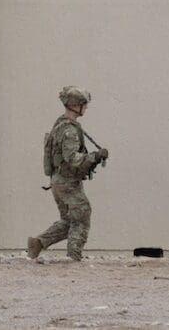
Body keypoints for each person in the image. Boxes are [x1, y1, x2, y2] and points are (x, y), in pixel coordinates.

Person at [27, 86, 109, 261]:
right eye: (84, 105)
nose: (86, 108)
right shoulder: (69, 130)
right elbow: (72, 158)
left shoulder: (61, 124)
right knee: (82, 217)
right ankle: (73, 257)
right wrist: (95, 156)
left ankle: (38, 243)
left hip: (58, 181)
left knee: (70, 220)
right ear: (76, 105)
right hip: (68, 182)